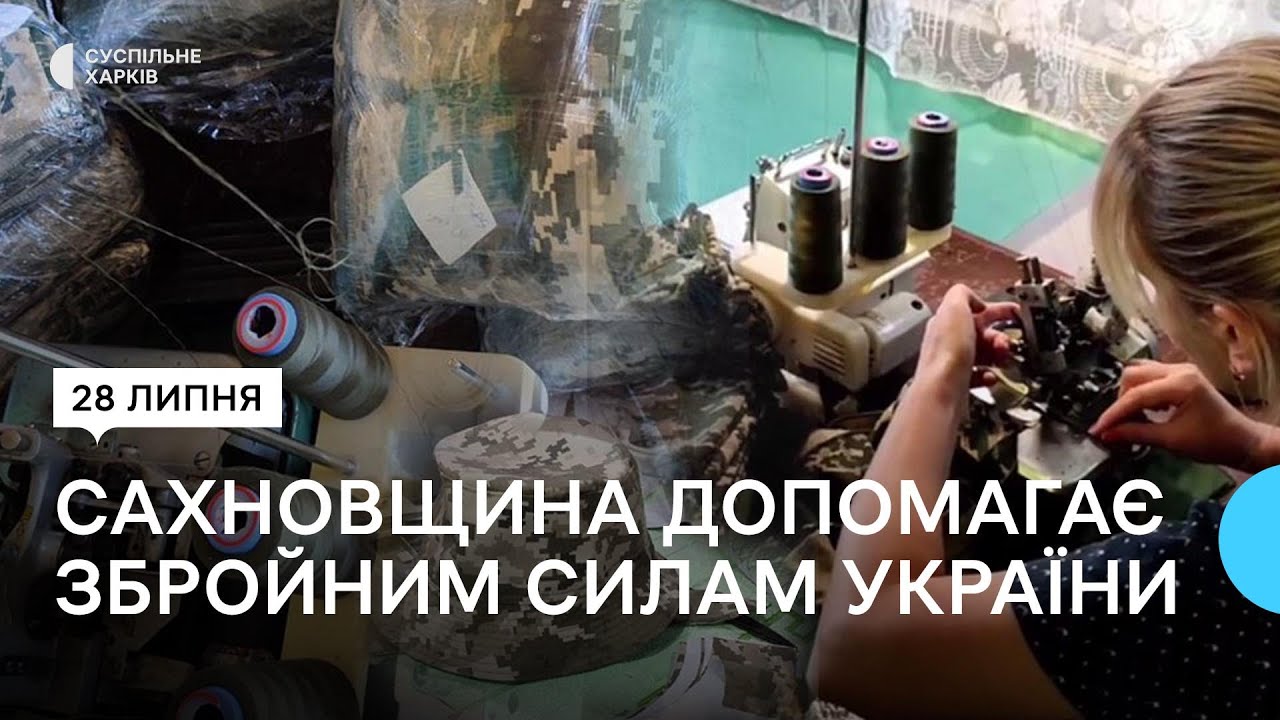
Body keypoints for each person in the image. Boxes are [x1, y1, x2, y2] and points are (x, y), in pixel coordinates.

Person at [808, 36, 1280, 720]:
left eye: (1156, 286)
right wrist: (1256, 446)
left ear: (1234, 332)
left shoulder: (1232, 578)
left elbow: (856, 646)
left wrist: (938, 375)